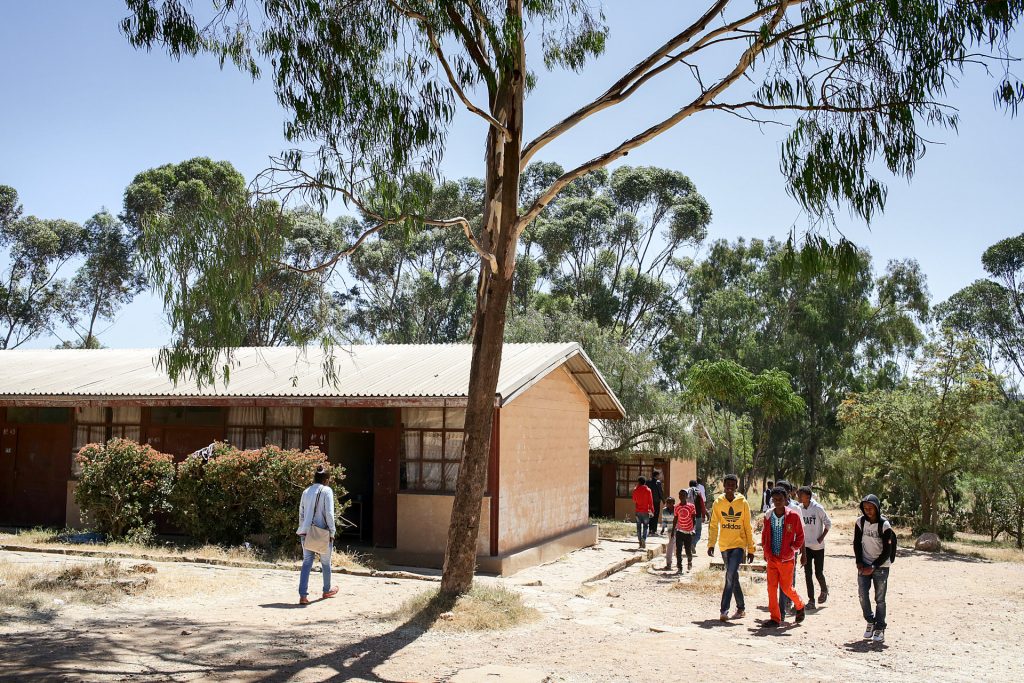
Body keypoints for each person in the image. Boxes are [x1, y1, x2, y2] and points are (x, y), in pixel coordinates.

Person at [707, 474, 756, 621]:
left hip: (738, 545)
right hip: (724, 545)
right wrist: (711, 543)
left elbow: (747, 526)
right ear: (724, 485)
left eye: (732, 485)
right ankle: (741, 608)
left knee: (729, 575)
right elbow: (714, 525)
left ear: (736, 486)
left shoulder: (743, 503)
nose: (729, 487)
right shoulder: (718, 503)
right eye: (727, 484)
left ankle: (724, 610)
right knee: (733, 576)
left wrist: (751, 548)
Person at [761, 487, 806, 627]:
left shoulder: (793, 516)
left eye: (780, 499)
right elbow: (764, 535)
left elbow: (800, 536)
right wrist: (766, 552)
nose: (778, 502)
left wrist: (793, 549)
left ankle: (799, 604)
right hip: (772, 558)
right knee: (771, 588)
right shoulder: (768, 516)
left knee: (786, 588)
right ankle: (775, 618)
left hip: (787, 559)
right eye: (775, 500)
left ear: (786, 499)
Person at [855, 494, 897, 643]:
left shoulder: (884, 525)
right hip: (864, 565)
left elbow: (887, 551)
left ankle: (880, 628)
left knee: (880, 599)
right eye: (865, 508)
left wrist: (873, 566)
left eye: (871, 508)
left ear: (877, 508)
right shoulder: (860, 522)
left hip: (881, 566)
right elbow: (856, 543)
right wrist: (859, 562)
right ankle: (870, 621)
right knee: (862, 595)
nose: (868, 511)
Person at [296, 464, 339, 605]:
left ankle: (303, 595)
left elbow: (301, 513)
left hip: (306, 532)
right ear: (326, 479)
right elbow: (329, 514)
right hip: (323, 533)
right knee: (326, 562)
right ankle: (326, 590)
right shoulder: (327, 491)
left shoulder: (306, 491)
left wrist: (303, 528)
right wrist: (332, 531)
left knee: (307, 562)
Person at [797, 486, 831, 609]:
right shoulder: (799, 509)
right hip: (806, 546)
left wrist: (821, 537)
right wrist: (801, 546)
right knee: (807, 573)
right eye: (798, 494)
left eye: (801, 495)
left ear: (808, 497)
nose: (799, 497)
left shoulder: (818, 508)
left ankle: (824, 589)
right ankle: (811, 600)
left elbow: (828, 523)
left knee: (818, 573)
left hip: (818, 547)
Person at [775, 480, 801, 616]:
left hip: (790, 549)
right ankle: (781, 606)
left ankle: (789, 601)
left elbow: (801, 530)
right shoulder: (773, 506)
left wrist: (799, 548)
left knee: (789, 577)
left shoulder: (796, 508)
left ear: (789, 492)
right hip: (776, 549)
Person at [673, 490, 697, 573]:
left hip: (688, 532)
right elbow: (675, 519)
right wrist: (673, 531)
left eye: (683, 495)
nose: (681, 496)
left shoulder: (691, 506)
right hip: (679, 531)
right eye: (680, 495)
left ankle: (689, 561)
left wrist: (693, 529)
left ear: (686, 496)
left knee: (688, 551)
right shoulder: (676, 507)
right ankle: (679, 567)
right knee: (678, 550)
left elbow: (694, 519)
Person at [632, 476, 654, 549]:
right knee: (645, 526)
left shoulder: (635, 490)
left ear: (638, 482)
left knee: (638, 527)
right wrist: (652, 510)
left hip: (638, 511)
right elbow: (650, 502)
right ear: (645, 482)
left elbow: (634, 500)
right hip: (645, 511)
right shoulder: (648, 490)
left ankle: (639, 541)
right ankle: (644, 539)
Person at [688, 479, 707, 544]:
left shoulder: (686, 491)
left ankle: (689, 544)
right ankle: (693, 543)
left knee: (688, 530)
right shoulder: (698, 492)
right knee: (698, 531)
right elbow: (702, 504)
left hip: (688, 515)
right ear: (696, 485)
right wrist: (704, 515)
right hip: (697, 514)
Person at [648, 470, 665, 537]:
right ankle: (654, 530)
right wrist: (663, 501)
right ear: (657, 475)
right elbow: (660, 492)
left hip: (650, 501)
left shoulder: (648, 482)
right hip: (656, 501)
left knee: (650, 515)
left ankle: (650, 529)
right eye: (659, 475)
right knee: (655, 515)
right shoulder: (658, 482)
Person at [662, 497, 677, 571]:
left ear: (673, 503)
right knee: (673, 545)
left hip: (677, 530)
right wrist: (662, 529)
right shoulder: (664, 510)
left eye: (669, 503)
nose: (668, 504)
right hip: (670, 530)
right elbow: (664, 520)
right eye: (667, 503)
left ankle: (669, 563)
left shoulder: (677, 509)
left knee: (672, 545)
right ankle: (672, 562)